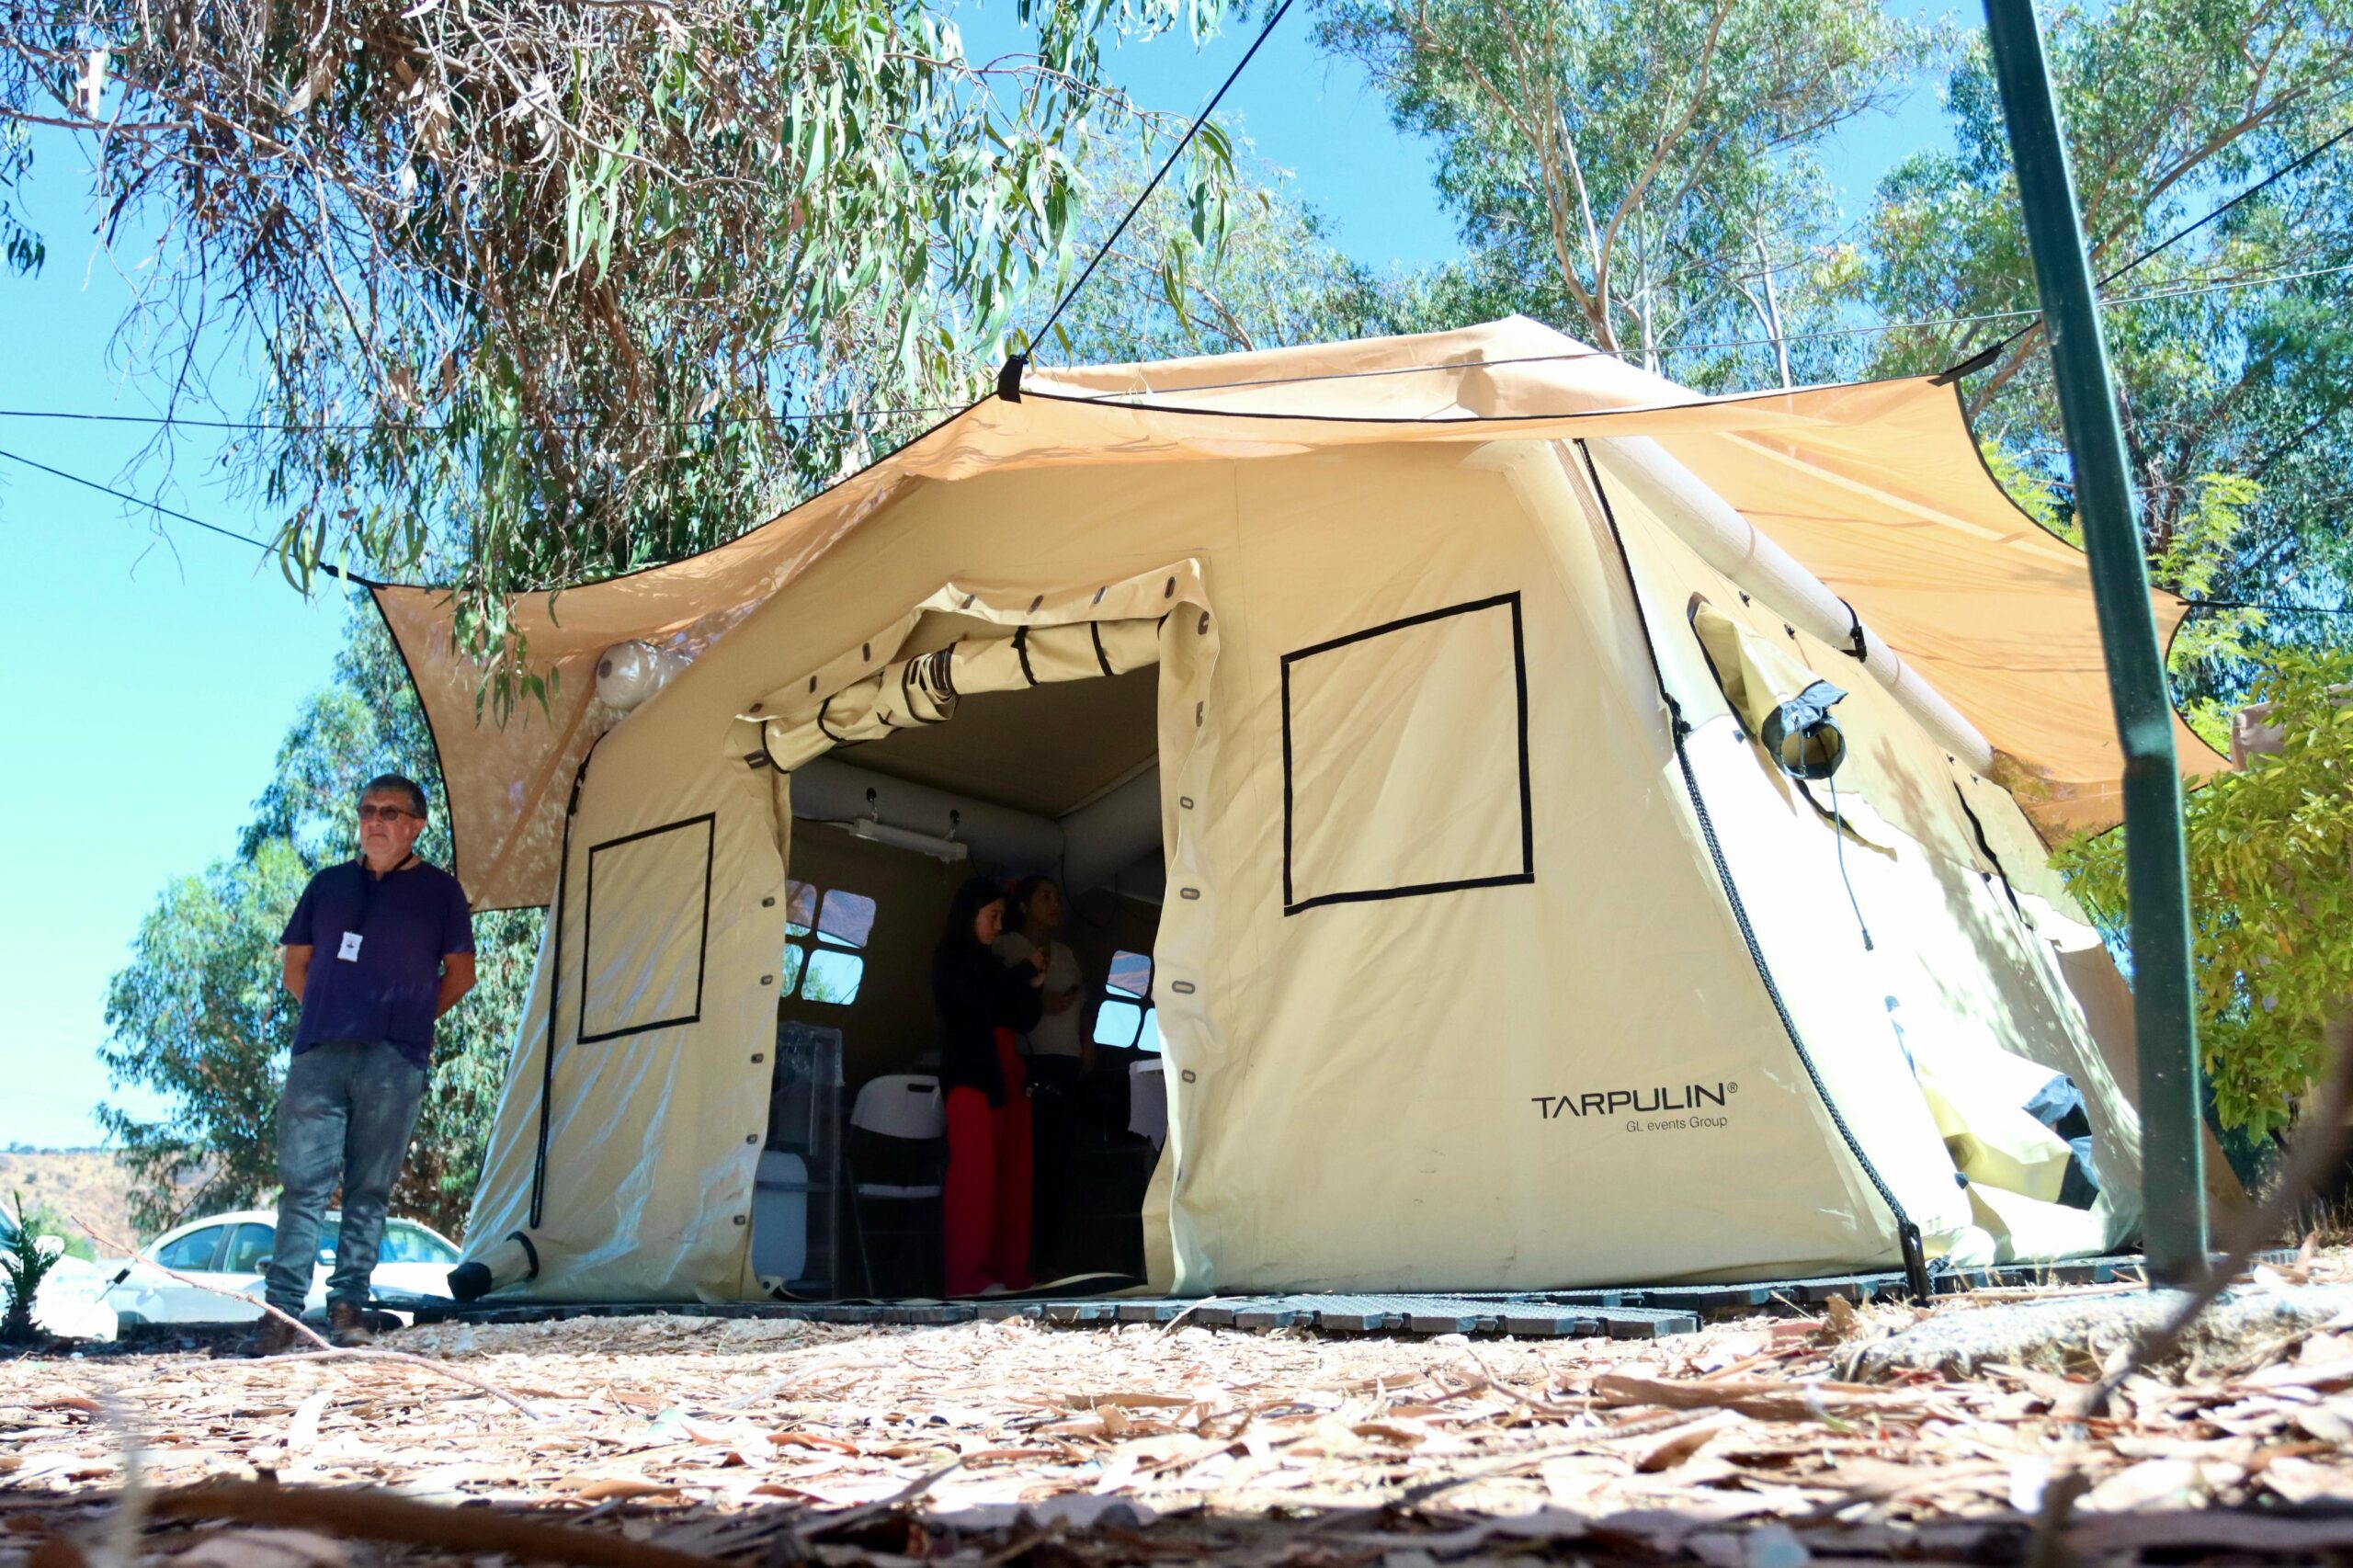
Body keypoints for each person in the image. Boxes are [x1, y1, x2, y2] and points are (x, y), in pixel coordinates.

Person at [257, 774, 475, 1352]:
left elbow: (461, 974)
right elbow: (294, 968)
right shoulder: (327, 885)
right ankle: (279, 1316)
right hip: (319, 1056)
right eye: (366, 811)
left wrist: (406, 1021)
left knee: (369, 1189)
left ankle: (348, 1309)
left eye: (388, 812)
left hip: (394, 1060)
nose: (374, 821)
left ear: (415, 824)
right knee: (302, 1187)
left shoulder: (441, 893)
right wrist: (335, 1015)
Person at [932, 876, 1045, 1296]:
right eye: (992, 916)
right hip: (971, 1074)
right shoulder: (950, 959)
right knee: (975, 1179)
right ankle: (968, 1276)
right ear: (970, 916)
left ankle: (1009, 1272)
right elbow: (975, 1004)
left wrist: (1030, 985)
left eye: (1000, 916)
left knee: (1012, 1179)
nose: (999, 925)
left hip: (1005, 1072)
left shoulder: (995, 965)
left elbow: (1023, 1017)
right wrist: (1021, 976)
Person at [994, 875, 1092, 1278]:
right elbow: (998, 999)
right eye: (1045, 897)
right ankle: (1020, 1262)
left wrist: (1088, 1041)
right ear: (1024, 905)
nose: (1055, 904)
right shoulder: (1007, 946)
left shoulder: (1066, 953)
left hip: (1068, 1064)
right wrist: (1038, 1002)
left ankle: (1050, 1262)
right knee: (1027, 1165)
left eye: (1057, 897)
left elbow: (1084, 1001)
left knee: (1058, 1167)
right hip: (1030, 1066)